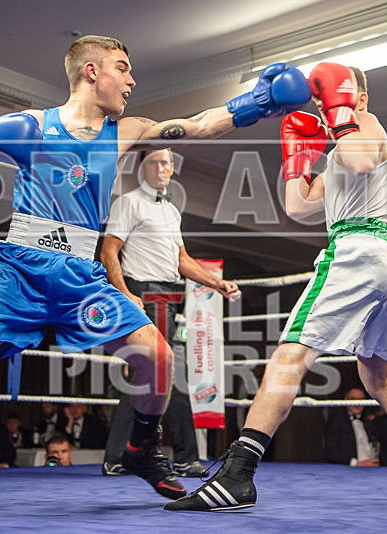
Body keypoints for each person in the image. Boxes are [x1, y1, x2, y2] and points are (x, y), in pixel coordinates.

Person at [0, 34, 310, 524]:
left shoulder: (127, 131)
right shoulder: (29, 126)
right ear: (92, 71)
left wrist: (257, 102)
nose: (133, 79)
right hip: (21, 269)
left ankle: (141, 446)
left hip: (82, 276)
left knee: (158, 358)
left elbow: (198, 125)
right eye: (123, 67)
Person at [166, 62, 387, 512]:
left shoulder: (366, 124)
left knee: (290, 355)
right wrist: (296, 158)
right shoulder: (337, 154)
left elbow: (363, 157)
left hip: (356, 250)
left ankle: (237, 475)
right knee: (378, 378)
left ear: (354, 97)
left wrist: (343, 112)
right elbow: (298, 207)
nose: (323, 108)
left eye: (333, 97)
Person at [101, 147, 241, 477]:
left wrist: (217, 283)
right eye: (155, 162)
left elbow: (182, 261)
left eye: (167, 162)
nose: (162, 168)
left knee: (149, 376)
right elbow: (109, 253)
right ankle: (183, 456)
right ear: (142, 167)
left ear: (173, 167)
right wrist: (126, 294)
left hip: (169, 296)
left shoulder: (171, 212)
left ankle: (119, 455)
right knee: (169, 374)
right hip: (144, 294)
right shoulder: (129, 202)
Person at [323, 388, 378, 466]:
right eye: (353, 399)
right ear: (346, 401)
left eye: (360, 400)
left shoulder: (369, 421)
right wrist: (356, 463)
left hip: (374, 470)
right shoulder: (336, 421)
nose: (356, 403)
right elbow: (330, 452)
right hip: (349, 472)